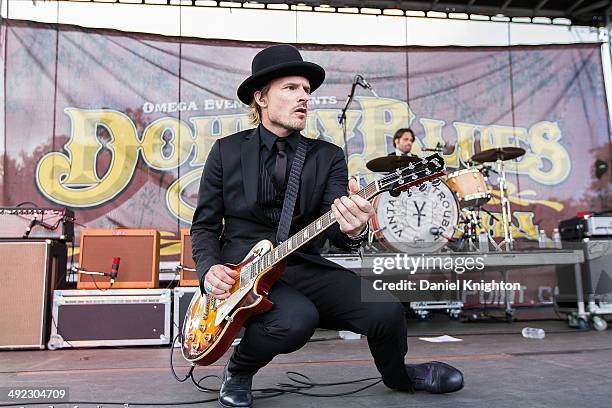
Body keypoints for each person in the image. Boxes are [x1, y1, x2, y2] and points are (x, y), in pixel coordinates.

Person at [190, 44, 463, 408]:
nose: (304, 96)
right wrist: (209, 270)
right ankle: (240, 369)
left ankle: (400, 376)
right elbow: (204, 226)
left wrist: (354, 229)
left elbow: (336, 226)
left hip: (301, 263)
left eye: (306, 90)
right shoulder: (226, 152)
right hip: (243, 273)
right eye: (291, 88)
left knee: (387, 311)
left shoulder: (327, 156)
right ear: (261, 98)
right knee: (297, 321)